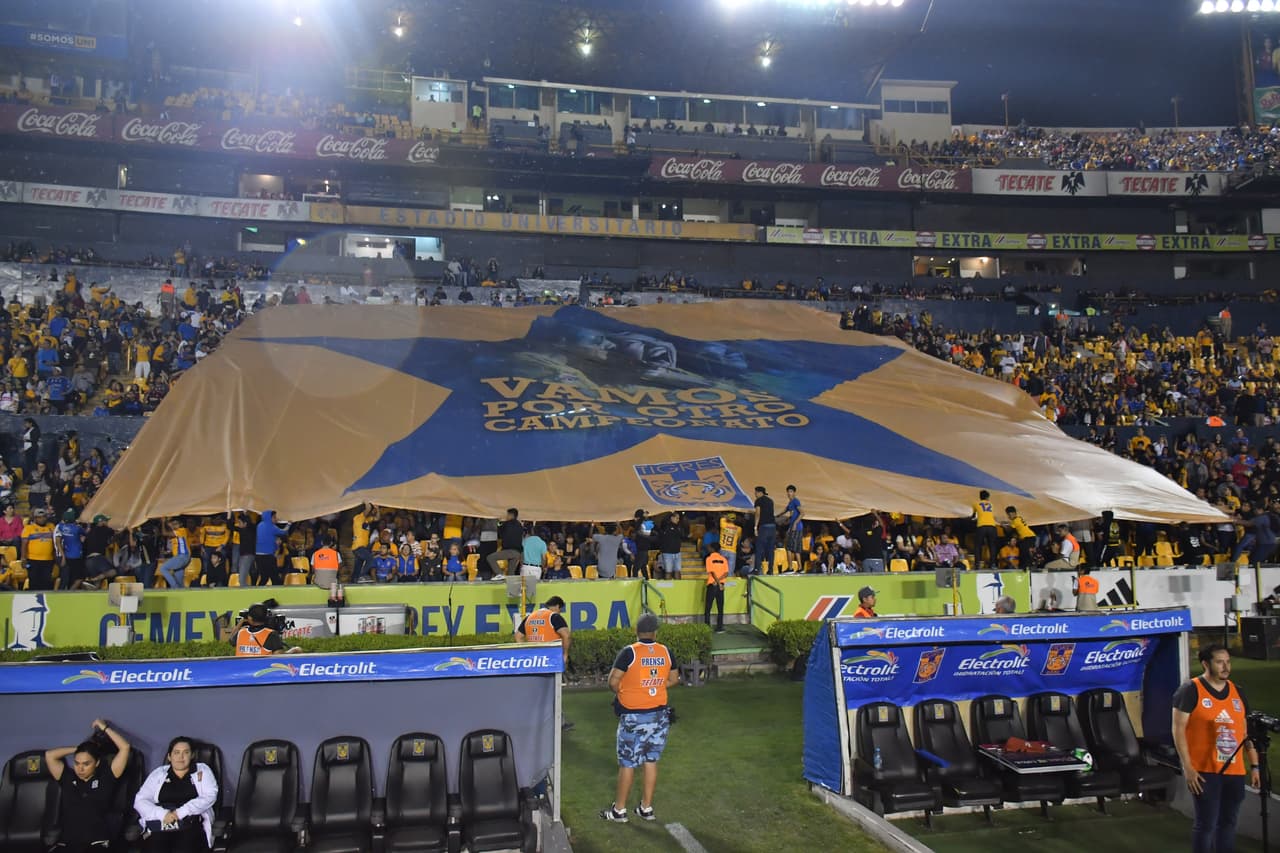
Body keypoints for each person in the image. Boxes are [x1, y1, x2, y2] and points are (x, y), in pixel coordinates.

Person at [1172, 644, 1261, 853]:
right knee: (1206, 825)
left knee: (1229, 824)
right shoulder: (1191, 690)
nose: (1225, 666)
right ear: (1205, 664)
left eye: (1228, 661)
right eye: (1219, 662)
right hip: (1204, 772)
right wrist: (1188, 768)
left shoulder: (1237, 692)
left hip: (1235, 771)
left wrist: (1254, 765)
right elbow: (1178, 730)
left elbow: (1245, 732)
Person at [600, 612, 680, 824]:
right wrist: (652, 687)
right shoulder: (665, 651)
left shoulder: (629, 652)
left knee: (627, 763)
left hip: (634, 717)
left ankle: (619, 811)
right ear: (655, 632)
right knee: (651, 760)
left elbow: (613, 681)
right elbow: (673, 678)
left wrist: (625, 692)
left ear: (636, 631)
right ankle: (646, 808)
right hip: (660, 715)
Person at [45, 718, 132, 852]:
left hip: (97, 842)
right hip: (67, 843)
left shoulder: (106, 778)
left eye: (86, 764)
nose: (80, 768)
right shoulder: (67, 778)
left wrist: (104, 728)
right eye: (77, 763)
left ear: (96, 763)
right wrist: (80, 749)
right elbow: (50, 755)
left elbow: (125, 747)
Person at [134, 736, 219, 852]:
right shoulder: (159, 773)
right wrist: (163, 814)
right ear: (169, 756)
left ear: (192, 755)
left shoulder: (202, 770)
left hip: (190, 824)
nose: (181, 757)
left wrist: (180, 813)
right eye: (176, 752)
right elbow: (140, 800)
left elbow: (210, 796)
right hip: (162, 824)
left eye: (186, 752)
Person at [229, 603, 299, 656]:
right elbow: (279, 656)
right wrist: (293, 651)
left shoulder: (241, 632)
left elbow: (231, 639)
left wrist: (240, 623)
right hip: (262, 672)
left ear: (250, 618)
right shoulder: (271, 634)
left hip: (241, 671)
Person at [23, 505, 57, 590]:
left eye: (44, 517)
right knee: (34, 582)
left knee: (46, 582)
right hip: (33, 559)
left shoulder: (51, 526)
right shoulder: (28, 528)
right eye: (39, 517)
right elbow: (24, 544)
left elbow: (55, 542)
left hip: (48, 560)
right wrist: (23, 558)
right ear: (35, 518)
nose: (42, 519)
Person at [253, 510, 289, 586]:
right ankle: (278, 594)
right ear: (270, 518)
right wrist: (289, 524)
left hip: (258, 556)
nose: (276, 519)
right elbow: (283, 532)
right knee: (275, 577)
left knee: (264, 577)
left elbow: (268, 539)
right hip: (268, 556)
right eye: (274, 517)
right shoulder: (271, 526)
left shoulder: (259, 525)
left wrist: (276, 544)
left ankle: (258, 594)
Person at [55, 508, 86, 590]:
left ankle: (64, 593)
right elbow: (85, 533)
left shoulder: (60, 527)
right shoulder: (77, 528)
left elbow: (58, 541)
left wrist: (63, 557)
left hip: (67, 556)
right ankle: (69, 593)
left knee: (67, 578)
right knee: (79, 578)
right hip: (77, 556)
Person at [487, 508, 522, 580]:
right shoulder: (520, 525)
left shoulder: (507, 524)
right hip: (518, 553)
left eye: (507, 515)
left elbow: (499, 533)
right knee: (511, 575)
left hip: (509, 551)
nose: (506, 517)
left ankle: (499, 574)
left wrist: (499, 522)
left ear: (510, 515)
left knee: (490, 558)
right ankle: (512, 590)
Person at [158, 518, 191, 589]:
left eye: (176, 524)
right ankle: (182, 592)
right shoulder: (175, 533)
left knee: (163, 568)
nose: (174, 525)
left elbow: (164, 533)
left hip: (182, 557)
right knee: (179, 581)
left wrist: (163, 523)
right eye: (173, 524)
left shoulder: (181, 530)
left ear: (180, 524)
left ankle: (174, 587)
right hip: (182, 557)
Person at [778, 484, 804, 573]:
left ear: (794, 493)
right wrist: (777, 515)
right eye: (788, 492)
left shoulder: (796, 501)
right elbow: (785, 510)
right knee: (796, 548)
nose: (789, 493)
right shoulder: (791, 503)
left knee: (789, 547)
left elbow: (802, 513)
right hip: (794, 527)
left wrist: (795, 523)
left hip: (796, 527)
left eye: (791, 491)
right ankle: (800, 568)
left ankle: (790, 567)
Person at [972, 490, 999, 570]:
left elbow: (973, 515)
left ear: (980, 497)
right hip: (992, 526)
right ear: (987, 497)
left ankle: (977, 564)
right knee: (992, 546)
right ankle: (993, 564)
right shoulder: (991, 504)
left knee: (978, 545)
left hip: (981, 526)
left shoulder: (976, 504)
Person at [753, 486, 777, 575]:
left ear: (760, 492)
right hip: (773, 526)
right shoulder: (770, 501)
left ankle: (756, 569)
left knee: (759, 548)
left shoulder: (758, 501)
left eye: (755, 492)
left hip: (764, 526)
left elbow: (758, 513)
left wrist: (755, 527)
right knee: (771, 549)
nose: (755, 494)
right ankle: (770, 570)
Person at [1005, 506, 1037, 571]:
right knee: (1024, 551)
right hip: (1030, 536)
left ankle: (1026, 567)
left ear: (1013, 513)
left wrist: (1004, 526)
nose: (1008, 517)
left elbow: (1009, 530)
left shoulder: (1015, 521)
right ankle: (1027, 566)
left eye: (1009, 514)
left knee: (1025, 552)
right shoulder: (1019, 518)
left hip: (1028, 537)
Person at [704, 550, 729, 633]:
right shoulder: (724, 559)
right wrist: (720, 583)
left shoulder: (709, 559)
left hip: (712, 585)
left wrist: (717, 582)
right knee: (720, 607)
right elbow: (726, 573)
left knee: (708, 607)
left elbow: (712, 572)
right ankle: (720, 627)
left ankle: (707, 626)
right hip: (721, 586)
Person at [657, 512, 684, 579]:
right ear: (672, 518)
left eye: (678, 518)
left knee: (678, 571)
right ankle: (668, 587)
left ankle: (679, 586)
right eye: (676, 518)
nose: (678, 520)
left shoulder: (678, 527)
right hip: (667, 553)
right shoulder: (666, 526)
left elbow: (682, 536)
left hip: (677, 552)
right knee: (668, 571)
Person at [632, 510, 654, 580]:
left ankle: (635, 584)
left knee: (635, 569)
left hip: (640, 549)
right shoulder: (646, 523)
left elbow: (635, 535)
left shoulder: (639, 523)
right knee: (643, 568)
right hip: (645, 549)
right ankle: (647, 584)